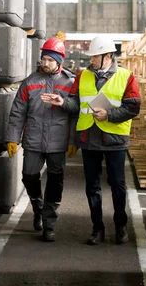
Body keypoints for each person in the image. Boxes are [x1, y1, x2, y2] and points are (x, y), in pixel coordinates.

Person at [43, 35, 140, 245]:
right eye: (92, 56)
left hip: (114, 139)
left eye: (95, 56)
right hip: (89, 137)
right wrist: (63, 102)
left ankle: (121, 226)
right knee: (92, 187)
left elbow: (133, 107)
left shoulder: (126, 76)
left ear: (108, 56)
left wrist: (110, 116)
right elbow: (76, 102)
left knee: (117, 185)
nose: (92, 60)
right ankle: (97, 229)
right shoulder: (83, 75)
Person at [6, 37, 76, 242]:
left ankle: (49, 223)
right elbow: (17, 112)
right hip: (34, 138)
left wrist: (73, 140)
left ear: (59, 61)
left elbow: (75, 113)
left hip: (58, 140)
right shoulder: (30, 82)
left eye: (49, 60)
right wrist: (12, 137)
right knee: (28, 176)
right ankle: (38, 208)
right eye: (43, 59)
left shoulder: (70, 83)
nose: (45, 63)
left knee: (56, 182)